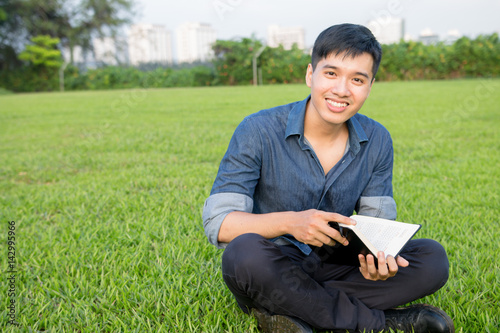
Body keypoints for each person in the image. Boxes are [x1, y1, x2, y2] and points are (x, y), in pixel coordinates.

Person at [202, 23, 454, 333]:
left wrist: (378, 259)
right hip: (274, 264)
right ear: (311, 74)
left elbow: (377, 225)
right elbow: (219, 222)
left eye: (357, 79)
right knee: (243, 254)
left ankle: (292, 312)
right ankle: (382, 323)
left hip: (334, 263)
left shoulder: (377, 140)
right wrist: (292, 223)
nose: (341, 90)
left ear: (370, 86)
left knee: (432, 259)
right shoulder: (257, 130)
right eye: (331, 73)